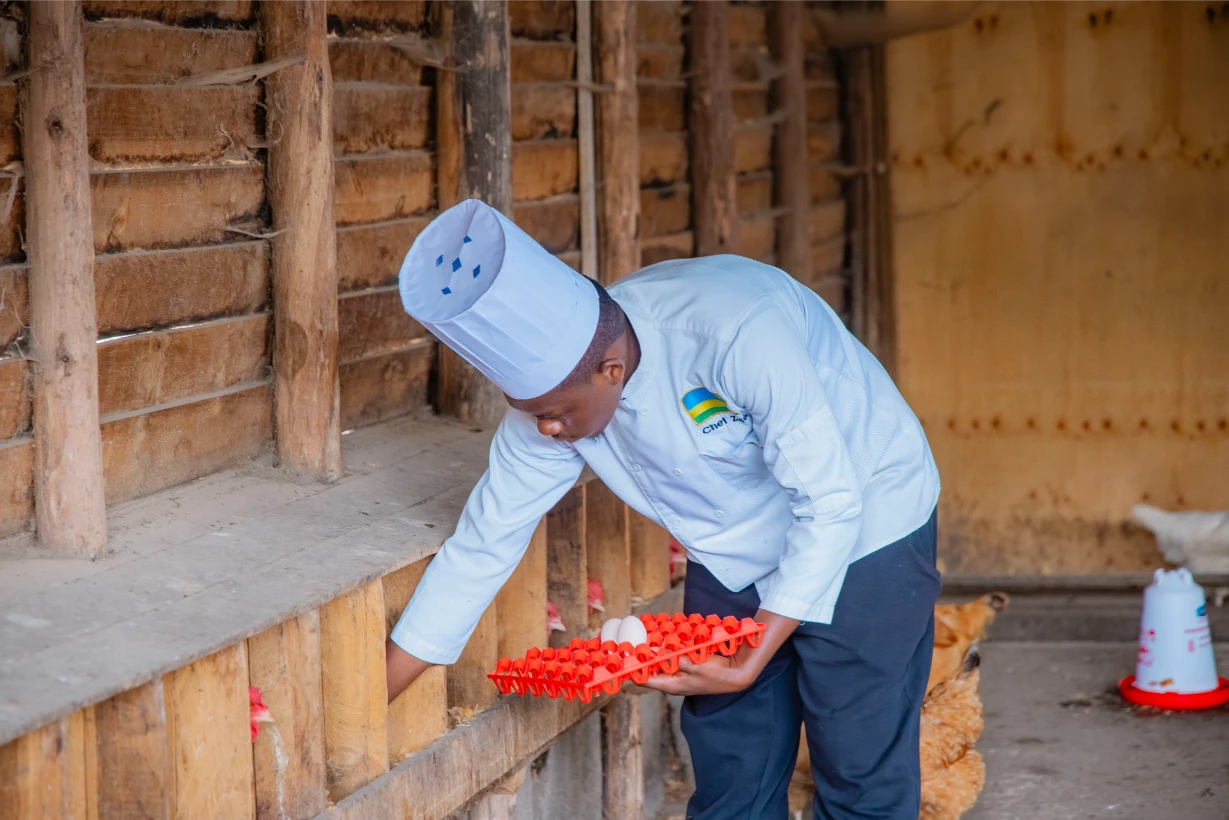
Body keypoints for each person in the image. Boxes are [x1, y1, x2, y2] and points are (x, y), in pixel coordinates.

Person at [386, 199, 941, 820]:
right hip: (731, 548)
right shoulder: (550, 410)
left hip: (868, 516)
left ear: (611, 370)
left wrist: (750, 662)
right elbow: (482, 545)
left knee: (858, 756)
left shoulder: (734, 333)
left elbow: (829, 503)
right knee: (732, 758)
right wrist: (376, 694)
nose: (545, 428)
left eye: (556, 413)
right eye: (530, 411)